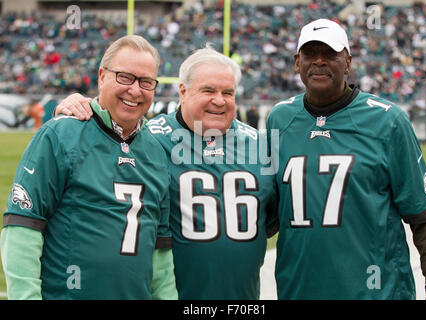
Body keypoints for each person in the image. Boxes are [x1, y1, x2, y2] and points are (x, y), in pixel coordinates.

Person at [52, 45, 279, 299]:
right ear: (183, 91)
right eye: (208, 90)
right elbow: (103, 137)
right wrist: (79, 106)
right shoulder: (148, 138)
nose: (219, 100)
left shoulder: (261, 146)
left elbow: (271, 220)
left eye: (228, 92)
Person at [266, 18, 426, 300]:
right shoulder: (279, 120)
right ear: (296, 62)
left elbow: (424, 214)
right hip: (300, 290)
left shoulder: (388, 121)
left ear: (348, 62)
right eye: (310, 54)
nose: (319, 62)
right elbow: (266, 214)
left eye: (329, 54)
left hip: (377, 292)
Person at [0, 35, 177, 300]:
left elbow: (161, 254)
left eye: (146, 81)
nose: (135, 90)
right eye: (125, 77)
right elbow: (23, 228)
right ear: (102, 76)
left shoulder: (155, 151)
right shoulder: (60, 135)